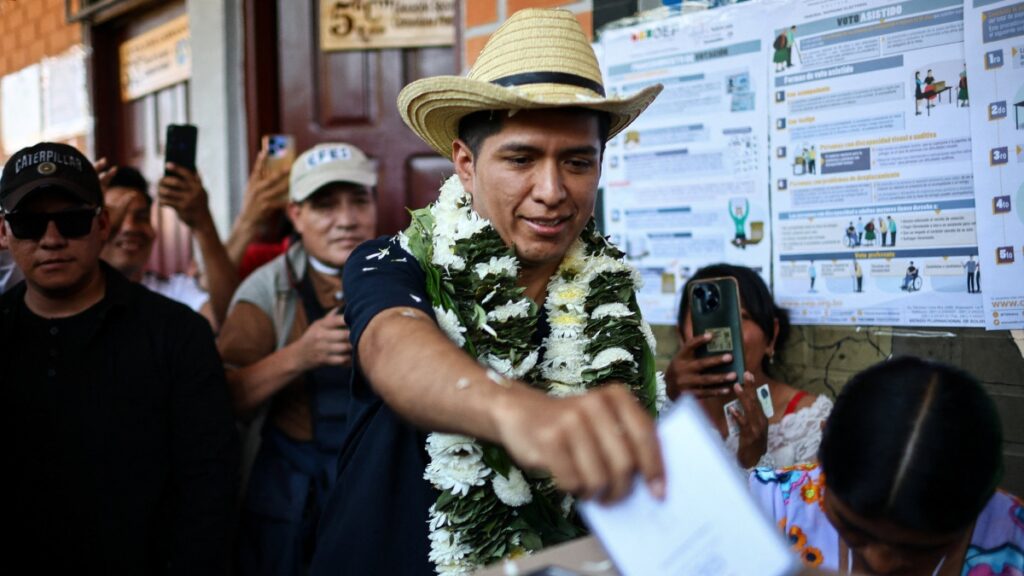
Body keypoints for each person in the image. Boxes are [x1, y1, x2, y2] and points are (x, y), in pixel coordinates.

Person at [309, 10, 665, 575]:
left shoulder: (608, 299)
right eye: (521, 159)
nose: (551, 191)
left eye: (577, 162)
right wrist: (522, 415)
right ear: (466, 165)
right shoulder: (392, 262)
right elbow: (393, 346)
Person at [0, 142, 238, 573]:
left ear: (101, 224)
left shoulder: (176, 334)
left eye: (72, 221)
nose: (52, 239)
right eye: (30, 224)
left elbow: (209, 489)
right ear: (4, 233)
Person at [217, 142, 377, 575]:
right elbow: (221, 398)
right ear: (295, 215)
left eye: (358, 201)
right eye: (325, 205)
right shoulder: (265, 289)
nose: (346, 220)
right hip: (291, 491)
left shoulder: (405, 275)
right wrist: (299, 355)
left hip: (377, 480)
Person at [749, 356, 1022, 574]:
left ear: (982, 503)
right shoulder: (764, 508)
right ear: (822, 450)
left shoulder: (1015, 542)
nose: (881, 563)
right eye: (853, 529)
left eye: (919, 549)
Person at [666, 264, 832, 469]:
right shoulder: (669, 411)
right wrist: (666, 400)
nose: (720, 333)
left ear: (772, 335)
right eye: (705, 318)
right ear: (681, 336)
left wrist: (755, 462)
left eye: (741, 317)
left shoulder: (811, 422)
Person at [97, 164, 238, 328]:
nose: (129, 227)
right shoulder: (70, 299)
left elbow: (228, 323)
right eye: (115, 218)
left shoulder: (176, 292)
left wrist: (202, 222)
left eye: (141, 217)